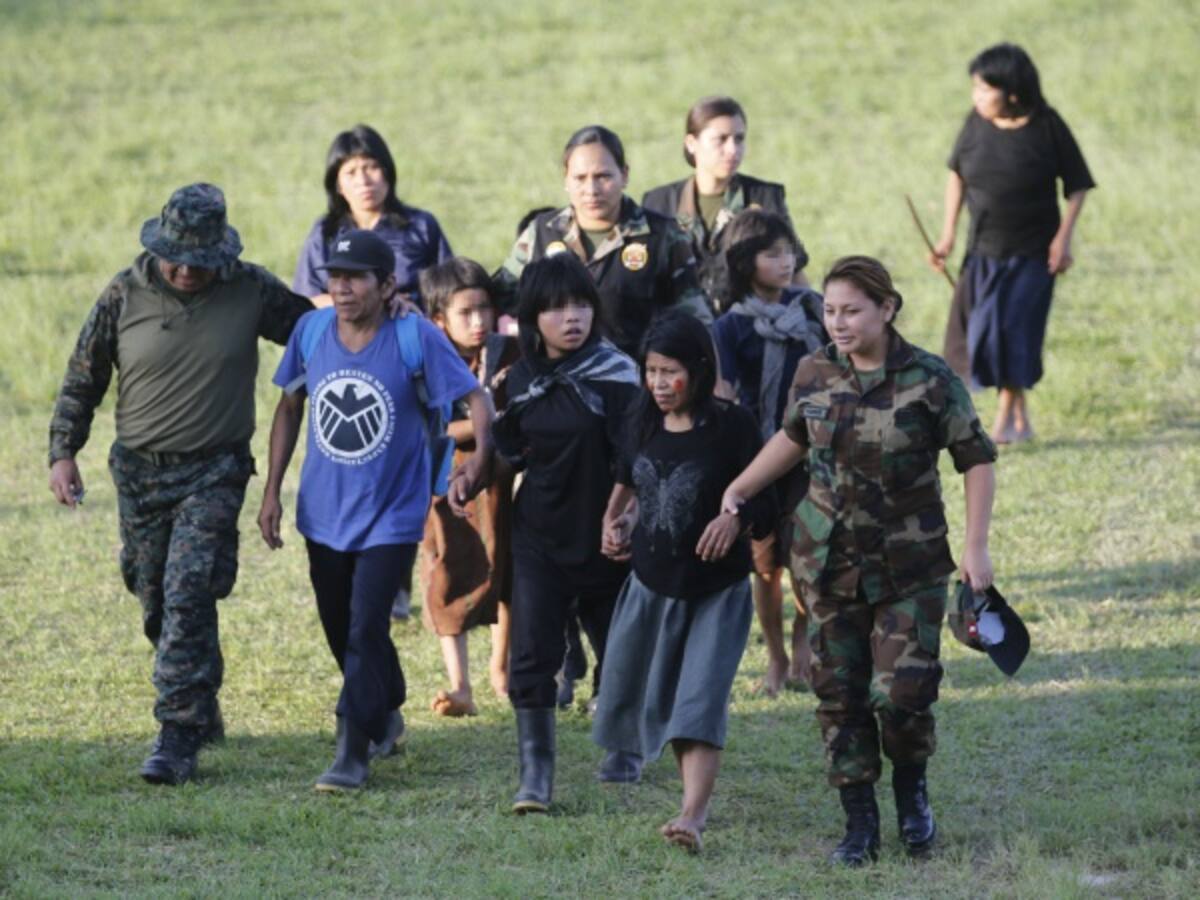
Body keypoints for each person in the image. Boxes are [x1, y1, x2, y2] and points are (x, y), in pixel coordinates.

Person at [722, 256, 998, 865]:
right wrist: (741, 488)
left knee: (903, 694)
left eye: (852, 311)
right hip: (827, 565)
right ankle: (859, 822)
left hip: (910, 568)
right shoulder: (814, 372)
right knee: (839, 697)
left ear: (886, 309)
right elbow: (793, 437)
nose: (838, 322)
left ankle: (912, 795)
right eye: (830, 310)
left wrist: (976, 545)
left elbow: (976, 458)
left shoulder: (929, 378)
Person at [47, 183, 314, 785]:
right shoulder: (125, 292)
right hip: (139, 473)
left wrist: (384, 312)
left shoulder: (250, 289)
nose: (188, 270)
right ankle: (201, 696)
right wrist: (63, 451)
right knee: (155, 596)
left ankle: (177, 732)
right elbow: (83, 377)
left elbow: (317, 331)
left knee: (189, 588)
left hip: (215, 471)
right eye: (177, 258)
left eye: (201, 260)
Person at [258, 230, 493, 792]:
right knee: (340, 625)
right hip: (323, 510)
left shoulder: (414, 336)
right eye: (335, 278)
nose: (341, 289)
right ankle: (385, 701)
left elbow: (476, 398)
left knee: (366, 626)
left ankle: (351, 750)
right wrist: (271, 491)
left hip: (392, 513)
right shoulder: (311, 330)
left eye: (355, 279)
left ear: (387, 285)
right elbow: (289, 407)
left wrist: (480, 462)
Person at [594, 311, 773, 854]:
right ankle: (666, 784)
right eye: (651, 371)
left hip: (716, 592)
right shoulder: (640, 421)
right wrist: (616, 521)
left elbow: (767, 498)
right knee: (658, 696)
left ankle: (693, 814)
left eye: (670, 371)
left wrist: (735, 520)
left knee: (699, 699)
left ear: (698, 370)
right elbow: (630, 484)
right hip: (652, 587)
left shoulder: (732, 427)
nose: (659, 383)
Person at [491, 253, 641, 813]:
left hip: (608, 536)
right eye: (555, 308)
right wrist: (470, 475)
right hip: (539, 535)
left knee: (619, 649)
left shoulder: (619, 375)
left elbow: (637, 459)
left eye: (580, 305)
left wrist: (624, 518)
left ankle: (624, 742)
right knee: (531, 653)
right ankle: (536, 775)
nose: (571, 317)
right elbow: (509, 449)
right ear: (533, 316)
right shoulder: (520, 378)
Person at [292, 124, 454, 620]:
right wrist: (362, 302)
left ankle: (399, 578)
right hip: (347, 364)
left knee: (407, 466)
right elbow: (304, 300)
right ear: (336, 182)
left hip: (408, 364)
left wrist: (407, 308)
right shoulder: (325, 235)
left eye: (373, 167)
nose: (364, 180)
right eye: (352, 172)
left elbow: (447, 288)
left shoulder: (419, 227)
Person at [929, 44, 1095, 443]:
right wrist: (947, 234)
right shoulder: (976, 124)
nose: (976, 97)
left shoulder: (1048, 127)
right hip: (983, 249)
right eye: (975, 88)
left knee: (1011, 330)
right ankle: (1021, 419)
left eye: (985, 90)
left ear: (1013, 92)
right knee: (980, 333)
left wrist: (1063, 240)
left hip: (1035, 253)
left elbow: (1077, 186)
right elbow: (957, 176)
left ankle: (1004, 420)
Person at [713, 209, 828, 697]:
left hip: (812, 456)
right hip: (757, 459)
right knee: (764, 564)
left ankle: (803, 638)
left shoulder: (814, 308)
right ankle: (776, 656)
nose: (786, 263)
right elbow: (723, 393)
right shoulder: (730, 326)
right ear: (745, 261)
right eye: (772, 254)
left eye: (789, 253)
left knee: (809, 554)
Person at [494, 125, 712, 358]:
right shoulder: (540, 233)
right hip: (551, 376)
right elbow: (496, 298)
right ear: (566, 179)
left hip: (632, 376)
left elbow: (695, 321)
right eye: (580, 178)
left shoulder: (663, 236)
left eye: (603, 177)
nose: (591, 189)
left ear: (624, 175)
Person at [417, 257, 520, 714]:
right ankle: (461, 686)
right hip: (444, 479)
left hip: (503, 478)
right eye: (465, 313)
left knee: (507, 567)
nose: (478, 321)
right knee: (449, 569)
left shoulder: (510, 353)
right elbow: (426, 426)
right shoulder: (425, 359)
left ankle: (502, 669)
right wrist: (481, 426)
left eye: (484, 309)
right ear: (439, 319)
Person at [642, 95, 810, 313]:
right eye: (720, 139)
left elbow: (793, 272)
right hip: (681, 324)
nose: (732, 149)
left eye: (739, 139)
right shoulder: (659, 202)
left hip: (749, 321)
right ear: (692, 144)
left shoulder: (764, 198)